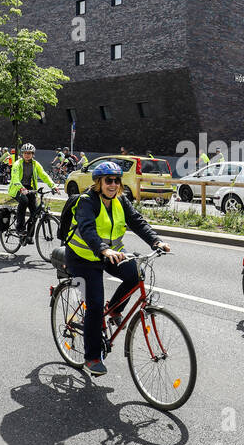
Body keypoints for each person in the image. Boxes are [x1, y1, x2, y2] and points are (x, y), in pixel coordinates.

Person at [64, 161, 171, 377]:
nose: (113, 184)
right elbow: (87, 229)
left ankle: (114, 309)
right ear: (99, 183)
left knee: (135, 275)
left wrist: (156, 242)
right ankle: (92, 357)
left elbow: (138, 222)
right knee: (94, 306)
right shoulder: (87, 202)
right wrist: (103, 249)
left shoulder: (120, 200)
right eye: (108, 180)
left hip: (109, 254)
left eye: (116, 180)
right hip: (83, 257)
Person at [6, 143, 59, 233]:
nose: (27, 155)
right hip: (17, 188)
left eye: (29, 153)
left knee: (35, 212)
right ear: (22, 154)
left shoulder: (35, 164)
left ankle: (30, 235)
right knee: (24, 201)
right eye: (25, 153)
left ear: (33, 154)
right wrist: (21, 188)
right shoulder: (17, 164)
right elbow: (15, 178)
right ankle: (20, 227)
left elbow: (44, 175)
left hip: (29, 188)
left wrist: (53, 186)